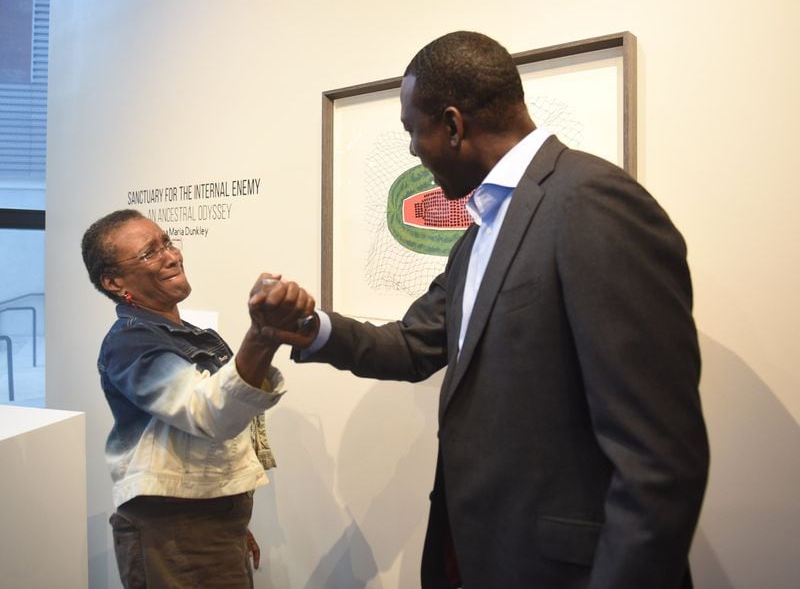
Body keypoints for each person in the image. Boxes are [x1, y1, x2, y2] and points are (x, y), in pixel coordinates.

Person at [275, 31, 710, 588]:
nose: (412, 150)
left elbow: (659, 459)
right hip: (484, 558)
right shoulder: (482, 227)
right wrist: (309, 329)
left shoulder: (592, 203)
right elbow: (414, 344)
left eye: (414, 130)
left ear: (453, 125)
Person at [81, 209, 314, 588]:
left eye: (166, 242)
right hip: (174, 536)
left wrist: (233, 520)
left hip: (210, 526)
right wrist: (263, 335)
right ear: (113, 281)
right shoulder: (129, 342)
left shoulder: (186, 333)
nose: (171, 256)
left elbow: (214, 440)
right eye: (149, 253)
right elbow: (207, 414)